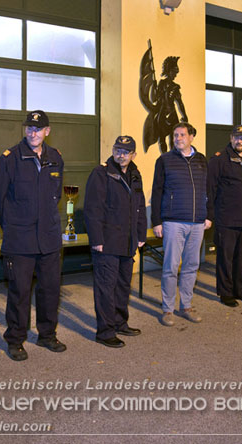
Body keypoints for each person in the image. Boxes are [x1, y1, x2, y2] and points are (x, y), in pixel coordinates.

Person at [0, 110, 66, 361]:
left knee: (50, 289)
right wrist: (10, 224)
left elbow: (56, 195)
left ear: (47, 131)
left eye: (38, 129)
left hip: (50, 237)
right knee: (19, 292)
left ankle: (47, 335)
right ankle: (15, 339)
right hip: (20, 239)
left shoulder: (55, 158)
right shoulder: (10, 158)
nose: (33, 133)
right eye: (29, 128)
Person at [84, 136, 147, 348]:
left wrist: (140, 235)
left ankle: (120, 323)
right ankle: (105, 331)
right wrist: (97, 240)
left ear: (133, 155)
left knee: (122, 286)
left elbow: (139, 208)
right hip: (107, 243)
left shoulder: (135, 174)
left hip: (128, 242)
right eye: (118, 150)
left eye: (126, 151)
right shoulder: (101, 173)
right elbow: (93, 209)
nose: (121, 155)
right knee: (105, 289)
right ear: (112, 150)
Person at [151, 122, 211, 326]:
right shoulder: (164, 160)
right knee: (170, 267)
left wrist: (208, 215)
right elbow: (157, 191)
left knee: (192, 266)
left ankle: (186, 305)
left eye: (182, 135)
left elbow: (208, 189)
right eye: (175, 135)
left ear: (192, 136)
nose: (177, 139)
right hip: (173, 222)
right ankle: (167, 309)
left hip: (197, 222)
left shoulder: (202, 160)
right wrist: (157, 222)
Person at [207, 125, 242, 307]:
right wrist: (210, 216)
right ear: (231, 138)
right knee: (226, 259)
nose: (239, 141)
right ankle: (226, 293)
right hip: (226, 219)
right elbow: (210, 189)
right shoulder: (219, 160)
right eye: (236, 137)